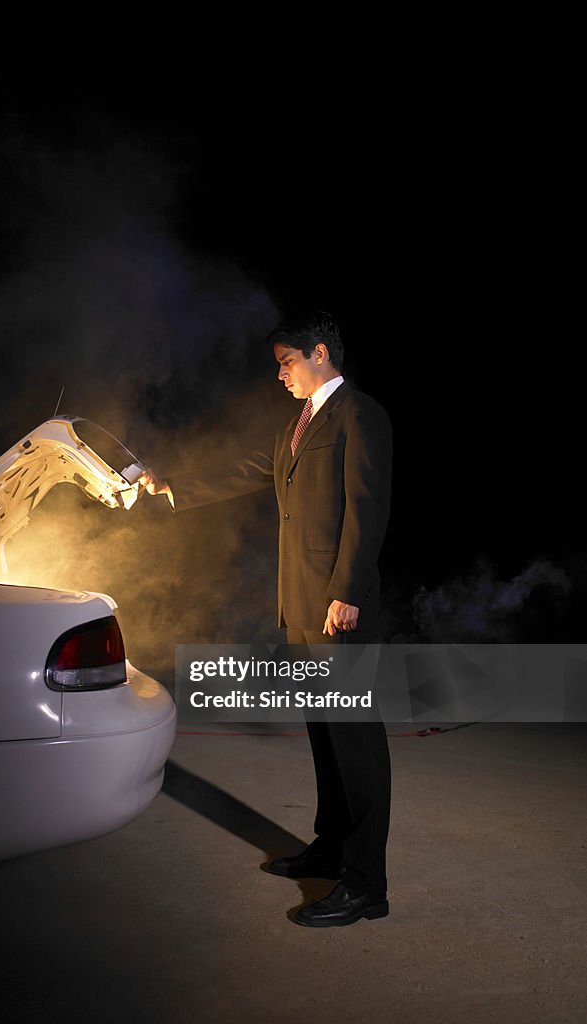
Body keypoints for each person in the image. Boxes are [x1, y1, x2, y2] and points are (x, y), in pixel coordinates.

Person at [142, 311, 393, 928]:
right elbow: (249, 471)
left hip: (340, 606)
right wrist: (170, 485)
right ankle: (331, 850)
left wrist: (349, 591)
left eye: (285, 362)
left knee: (356, 745)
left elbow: (367, 506)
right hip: (303, 604)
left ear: (318, 353)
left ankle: (366, 887)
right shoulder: (298, 427)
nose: (279, 375)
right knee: (325, 735)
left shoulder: (360, 414)